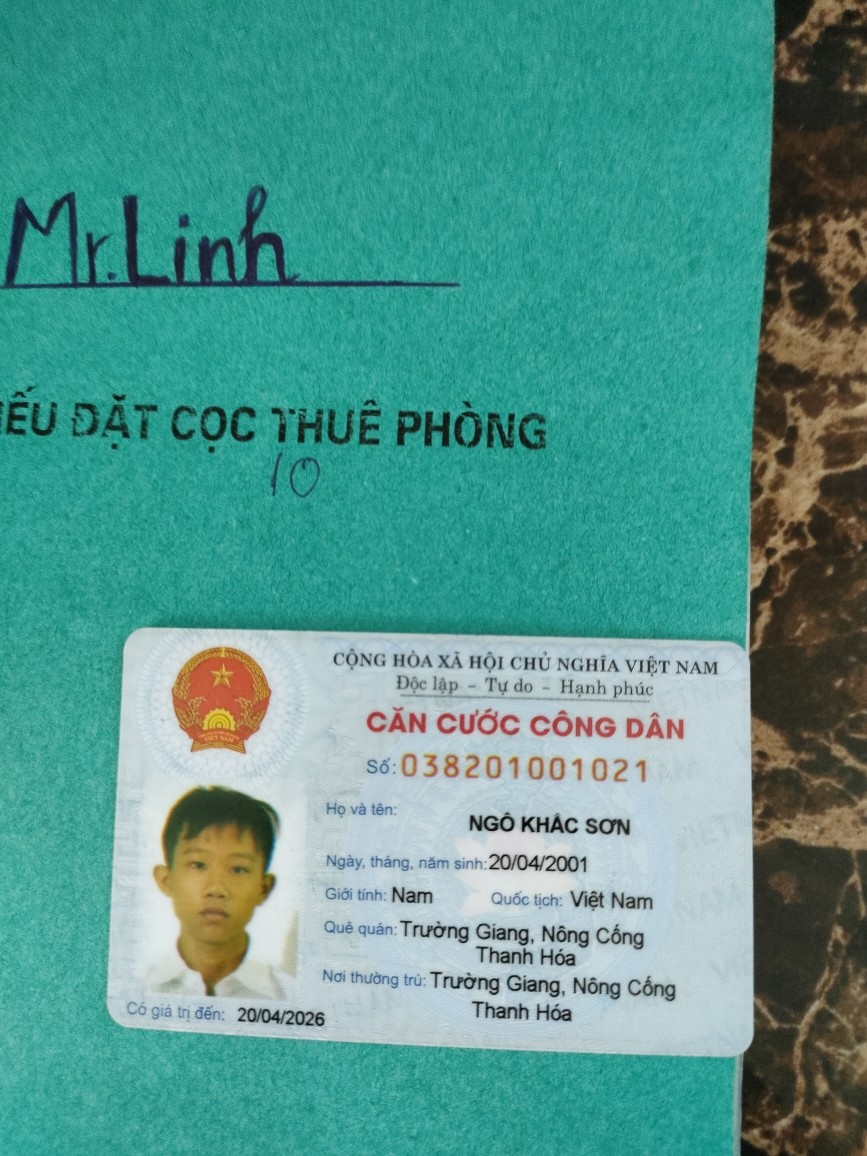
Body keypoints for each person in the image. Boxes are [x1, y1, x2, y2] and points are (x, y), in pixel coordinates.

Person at [147, 785, 293, 998]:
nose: (216, 889)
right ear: (166, 880)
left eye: (238, 869)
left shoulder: (288, 998)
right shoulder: (135, 991)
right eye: (198, 865)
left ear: (264, 889)